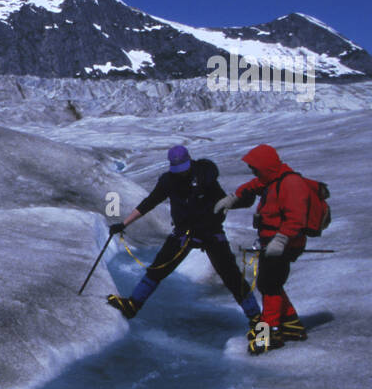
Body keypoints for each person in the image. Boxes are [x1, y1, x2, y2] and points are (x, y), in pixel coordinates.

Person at [106, 145, 262, 326]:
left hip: (210, 232)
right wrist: (124, 223)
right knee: (157, 268)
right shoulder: (168, 181)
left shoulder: (205, 175)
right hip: (184, 233)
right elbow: (149, 203)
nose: (181, 174)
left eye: (184, 170)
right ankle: (133, 304)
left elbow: (222, 201)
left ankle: (257, 319)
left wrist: (239, 201)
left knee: (231, 277)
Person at [214, 143, 308, 355]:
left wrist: (281, 240)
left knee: (269, 286)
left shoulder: (291, 183)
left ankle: (269, 334)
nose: (254, 172)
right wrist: (234, 198)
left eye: (256, 168)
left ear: (266, 166)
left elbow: (297, 217)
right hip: (271, 242)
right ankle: (292, 325)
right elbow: (252, 186)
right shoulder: (271, 180)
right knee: (272, 283)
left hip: (284, 244)